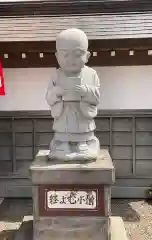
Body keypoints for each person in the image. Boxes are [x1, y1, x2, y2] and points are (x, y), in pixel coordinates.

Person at [46, 28, 100, 161]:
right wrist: (56, 93)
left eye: (77, 54)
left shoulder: (91, 74)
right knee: (63, 129)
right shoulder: (56, 75)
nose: (71, 59)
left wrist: (86, 91)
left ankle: (83, 143)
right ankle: (63, 144)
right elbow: (48, 97)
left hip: (82, 110)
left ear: (87, 56)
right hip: (63, 109)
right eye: (65, 55)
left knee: (82, 129)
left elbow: (96, 96)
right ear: (58, 56)